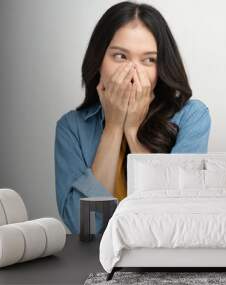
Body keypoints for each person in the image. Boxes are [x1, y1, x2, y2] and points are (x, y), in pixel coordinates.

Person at [54, 1, 211, 235]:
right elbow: (81, 228)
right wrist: (114, 127)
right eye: (120, 56)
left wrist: (133, 130)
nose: (133, 72)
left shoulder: (192, 117)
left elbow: (171, 219)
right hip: (97, 263)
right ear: (99, 60)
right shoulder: (71, 127)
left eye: (148, 60)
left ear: (161, 67)